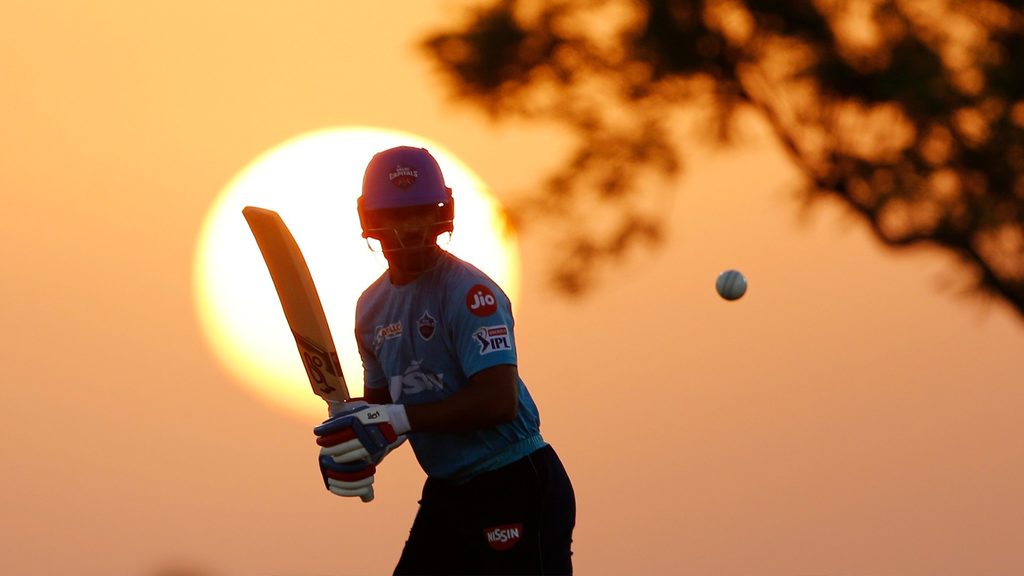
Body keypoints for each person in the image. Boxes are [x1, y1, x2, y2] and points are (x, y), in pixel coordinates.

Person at [314, 146, 576, 575]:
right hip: (450, 491)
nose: (411, 227)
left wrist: (394, 420)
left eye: (420, 211)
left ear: (442, 212)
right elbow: (386, 410)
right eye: (396, 215)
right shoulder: (371, 308)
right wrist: (356, 446)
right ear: (371, 222)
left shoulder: (472, 294)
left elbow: (497, 402)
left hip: (514, 479)